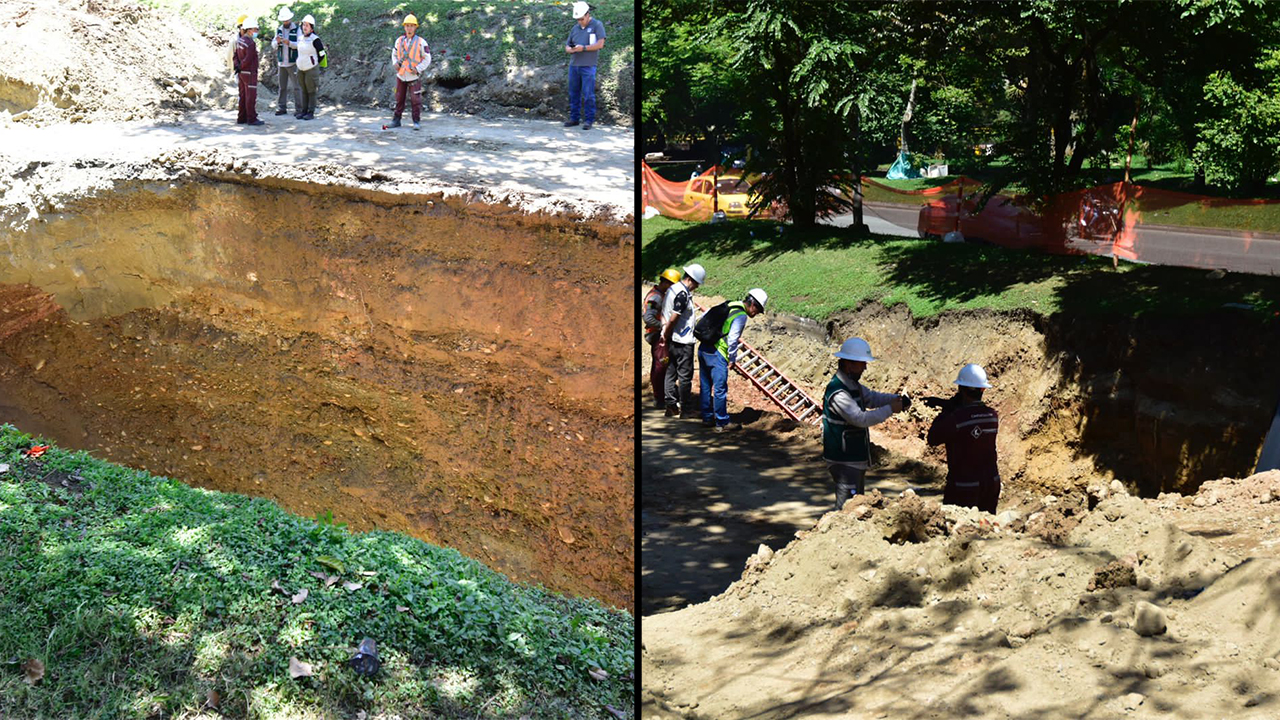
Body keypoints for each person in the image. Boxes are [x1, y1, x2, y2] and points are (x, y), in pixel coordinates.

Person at [822, 337, 908, 510]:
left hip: (854, 459)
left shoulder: (852, 385)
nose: (865, 367)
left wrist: (896, 399)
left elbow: (872, 398)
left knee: (856, 505)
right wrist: (891, 408)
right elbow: (861, 419)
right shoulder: (838, 393)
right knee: (847, 510)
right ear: (848, 364)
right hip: (844, 460)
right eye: (861, 363)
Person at [926, 364, 1001, 514]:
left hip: (963, 486)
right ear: (983, 389)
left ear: (960, 389)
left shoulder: (955, 419)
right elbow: (973, 416)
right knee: (986, 530)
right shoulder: (992, 416)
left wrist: (946, 409)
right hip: (991, 483)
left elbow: (932, 438)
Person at [697, 288, 766, 431]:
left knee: (705, 386)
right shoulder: (741, 315)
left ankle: (707, 417)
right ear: (753, 305)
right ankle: (722, 422)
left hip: (704, 348)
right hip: (718, 352)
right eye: (758, 310)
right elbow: (733, 339)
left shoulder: (730, 304)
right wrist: (732, 358)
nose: (756, 314)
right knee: (720, 388)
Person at [660, 263, 705, 418]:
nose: (696, 287)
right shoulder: (683, 294)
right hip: (682, 340)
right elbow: (674, 317)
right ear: (691, 280)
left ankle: (670, 405)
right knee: (684, 376)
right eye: (697, 284)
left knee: (670, 372)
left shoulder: (672, 289)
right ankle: (686, 410)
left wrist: (666, 334)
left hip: (673, 339)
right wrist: (667, 333)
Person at [563, 1, 605, 130]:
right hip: (574, 65)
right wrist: (570, 49)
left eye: (581, 19)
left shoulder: (597, 25)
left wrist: (584, 48)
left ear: (587, 15)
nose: (580, 21)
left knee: (588, 94)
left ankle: (589, 120)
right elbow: (567, 45)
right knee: (573, 93)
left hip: (588, 65)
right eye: (577, 19)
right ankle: (574, 118)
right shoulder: (575, 28)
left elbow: (600, 44)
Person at [644, 268, 681, 409]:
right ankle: (659, 398)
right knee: (660, 367)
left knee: (664, 366)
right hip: (658, 336)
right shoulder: (655, 297)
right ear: (666, 283)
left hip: (661, 335)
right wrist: (664, 326)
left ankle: (663, 395)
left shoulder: (661, 295)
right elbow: (648, 318)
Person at [390, 14, 432, 130]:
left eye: (411, 26)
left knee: (415, 100)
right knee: (399, 98)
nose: (409, 28)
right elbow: (394, 53)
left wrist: (418, 68)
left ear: (415, 27)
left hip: (413, 76)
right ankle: (396, 120)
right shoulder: (399, 41)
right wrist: (395, 63)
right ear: (404, 27)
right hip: (401, 75)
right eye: (407, 26)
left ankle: (416, 121)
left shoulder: (421, 42)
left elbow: (427, 58)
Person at [271, 7, 304, 117]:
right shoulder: (279, 29)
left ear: (290, 19)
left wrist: (289, 43)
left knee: (297, 87)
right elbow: (273, 45)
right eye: (284, 20)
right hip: (282, 63)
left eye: (287, 20)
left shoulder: (297, 29)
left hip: (293, 62)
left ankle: (299, 109)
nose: (286, 22)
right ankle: (282, 107)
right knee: (282, 87)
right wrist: (277, 42)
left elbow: (299, 44)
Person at [295, 15, 327, 120]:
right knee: (303, 90)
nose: (305, 27)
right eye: (303, 25)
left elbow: (322, 53)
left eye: (307, 25)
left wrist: (315, 62)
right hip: (300, 68)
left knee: (311, 90)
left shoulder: (315, 39)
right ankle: (303, 111)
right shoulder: (300, 38)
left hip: (311, 69)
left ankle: (310, 111)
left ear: (312, 28)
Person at [235, 18, 264, 126]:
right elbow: (248, 59)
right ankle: (251, 118)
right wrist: (242, 66)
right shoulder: (250, 43)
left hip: (241, 73)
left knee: (243, 95)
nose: (257, 31)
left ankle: (241, 117)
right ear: (249, 30)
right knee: (250, 96)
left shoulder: (240, 40)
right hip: (250, 72)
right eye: (255, 29)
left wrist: (238, 67)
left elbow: (235, 56)